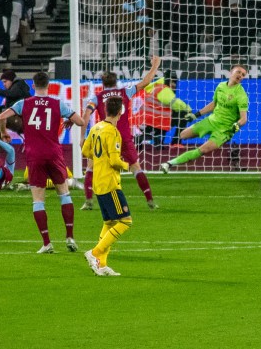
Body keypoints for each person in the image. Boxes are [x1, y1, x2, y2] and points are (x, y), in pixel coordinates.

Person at [0, 72, 87, 254]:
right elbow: (80, 121)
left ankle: (47, 243)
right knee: (64, 194)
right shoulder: (58, 104)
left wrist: (3, 133)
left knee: (38, 200)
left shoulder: (24, 103)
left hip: (35, 155)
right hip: (54, 154)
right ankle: (70, 237)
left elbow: (1, 117)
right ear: (49, 85)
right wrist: (69, 120)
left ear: (33, 86)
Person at [81, 56, 161, 210]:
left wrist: (82, 137)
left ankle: (89, 201)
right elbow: (145, 82)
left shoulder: (97, 98)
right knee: (136, 168)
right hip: (124, 136)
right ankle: (150, 201)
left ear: (103, 83)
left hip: (105, 135)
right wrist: (155, 65)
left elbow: (86, 115)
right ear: (116, 82)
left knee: (91, 166)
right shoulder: (125, 92)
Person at [159, 64, 249, 172]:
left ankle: (169, 164)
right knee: (183, 135)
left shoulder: (241, 95)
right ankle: (189, 155)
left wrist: (236, 125)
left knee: (203, 150)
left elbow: (244, 119)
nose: (240, 75)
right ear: (231, 72)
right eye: (238, 72)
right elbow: (214, 104)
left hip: (224, 130)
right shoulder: (221, 86)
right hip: (211, 121)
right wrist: (196, 115)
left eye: (243, 74)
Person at [80, 95, 130, 277]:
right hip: (110, 183)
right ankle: (94, 253)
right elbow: (115, 161)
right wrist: (127, 165)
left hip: (98, 182)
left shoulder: (96, 127)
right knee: (125, 221)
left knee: (109, 223)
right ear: (120, 112)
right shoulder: (113, 132)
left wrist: (99, 158)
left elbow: (85, 151)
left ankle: (101, 265)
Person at [136, 70, 195, 147]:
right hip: (151, 121)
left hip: (148, 120)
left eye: (175, 82)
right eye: (172, 82)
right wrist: (189, 109)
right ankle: (175, 142)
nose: (174, 84)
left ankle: (146, 137)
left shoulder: (157, 86)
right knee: (184, 114)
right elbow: (174, 103)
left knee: (174, 113)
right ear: (167, 81)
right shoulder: (163, 89)